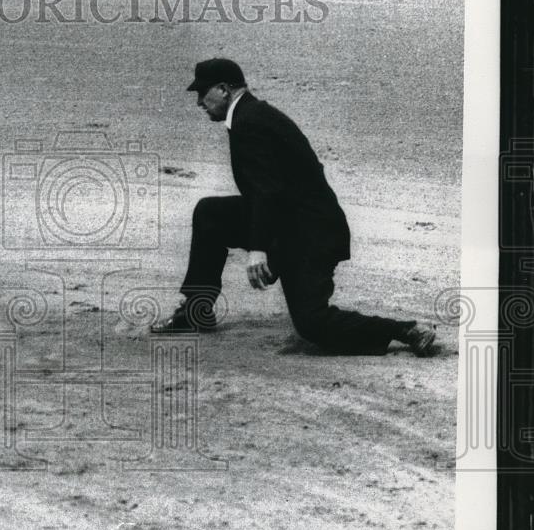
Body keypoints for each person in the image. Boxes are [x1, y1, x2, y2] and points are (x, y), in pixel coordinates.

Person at [151, 58, 439, 357]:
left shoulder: (250, 122)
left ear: (224, 89)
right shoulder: (250, 114)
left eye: (202, 93)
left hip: (311, 233)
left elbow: (267, 190)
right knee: (210, 213)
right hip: (287, 221)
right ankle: (196, 310)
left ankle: (406, 330)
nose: (199, 102)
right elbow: (272, 189)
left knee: (312, 323)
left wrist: (259, 248)